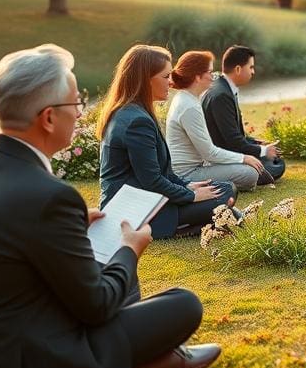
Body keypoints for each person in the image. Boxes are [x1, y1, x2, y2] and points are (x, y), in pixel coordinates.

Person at [0, 44, 220, 368]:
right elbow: (96, 307)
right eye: (75, 105)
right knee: (183, 304)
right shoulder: (49, 195)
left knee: (117, 279)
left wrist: (73, 225)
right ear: (47, 118)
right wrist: (129, 249)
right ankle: (130, 367)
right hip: (21, 366)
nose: (80, 114)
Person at [99, 45, 238, 239]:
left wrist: (187, 186)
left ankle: (210, 220)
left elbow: (160, 173)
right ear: (145, 80)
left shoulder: (134, 112)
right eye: (166, 77)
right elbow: (152, 181)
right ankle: (185, 228)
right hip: (132, 210)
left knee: (225, 188)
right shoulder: (136, 121)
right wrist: (192, 196)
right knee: (222, 196)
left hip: (146, 197)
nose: (171, 82)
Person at [166, 50, 265, 191]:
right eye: (210, 72)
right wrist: (244, 158)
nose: (213, 77)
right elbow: (209, 153)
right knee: (250, 173)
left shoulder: (186, 98)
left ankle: (225, 183)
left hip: (200, 165)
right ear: (198, 77)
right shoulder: (189, 106)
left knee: (250, 167)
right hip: (187, 174)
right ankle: (219, 186)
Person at [201, 45, 286, 184]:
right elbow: (233, 141)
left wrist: (258, 143)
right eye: (251, 67)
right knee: (277, 166)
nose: (253, 72)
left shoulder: (223, 87)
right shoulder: (222, 95)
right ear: (238, 69)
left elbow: (233, 134)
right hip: (222, 159)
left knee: (275, 162)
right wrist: (264, 151)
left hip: (229, 151)